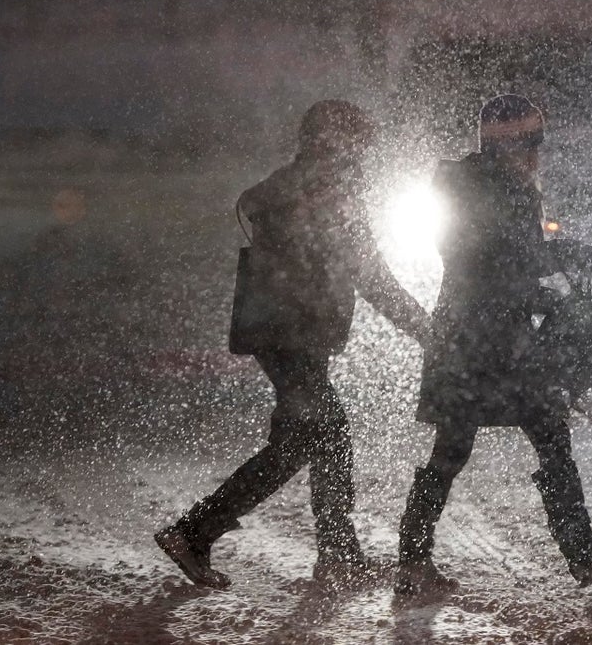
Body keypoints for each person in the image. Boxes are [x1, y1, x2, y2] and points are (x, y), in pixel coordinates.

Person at [156, 100, 430, 589]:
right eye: (357, 145)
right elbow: (371, 277)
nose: (363, 156)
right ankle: (196, 532)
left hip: (282, 334)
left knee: (320, 437)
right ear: (337, 144)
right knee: (313, 437)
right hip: (293, 336)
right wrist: (424, 328)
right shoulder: (330, 192)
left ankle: (337, 555)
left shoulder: (294, 185)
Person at [394, 94, 592, 596]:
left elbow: (486, 263)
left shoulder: (466, 183)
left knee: (462, 445)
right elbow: (498, 265)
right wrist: (557, 269)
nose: (537, 152)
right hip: (489, 341)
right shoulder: (503, 190)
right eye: (532, 141)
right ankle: (578, 550)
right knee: (525, 435)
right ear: (512, 143)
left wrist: (549, 266)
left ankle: (414, 560)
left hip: (467, 335)